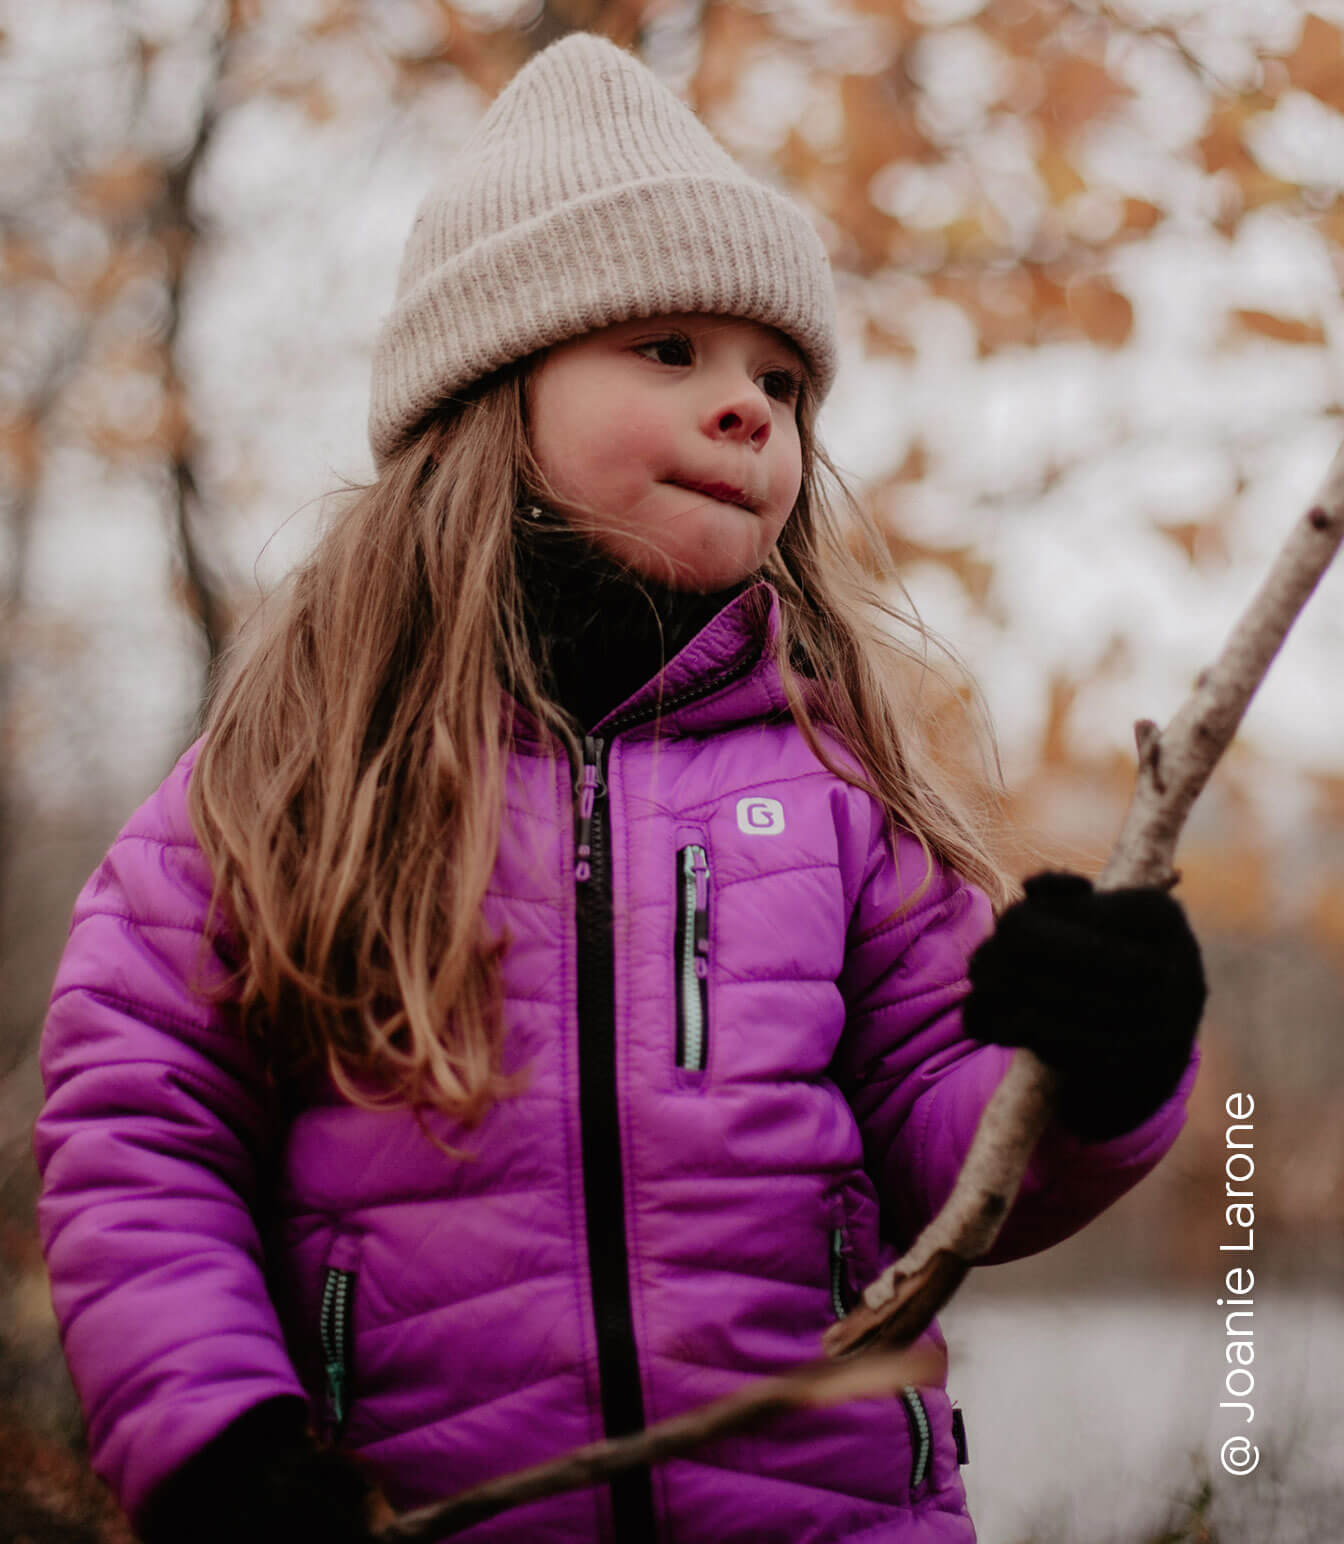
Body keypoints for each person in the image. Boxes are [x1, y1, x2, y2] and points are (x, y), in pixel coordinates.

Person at [33, 32, 1205, 1544]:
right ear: (492, 389)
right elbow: (143, 1129)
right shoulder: (294, 776)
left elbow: (953, 1145)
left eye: (780, 380)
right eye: (670, 352)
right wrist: (214, 1443)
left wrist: (1093, 1069)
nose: (751, 410)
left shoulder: (837, 780)